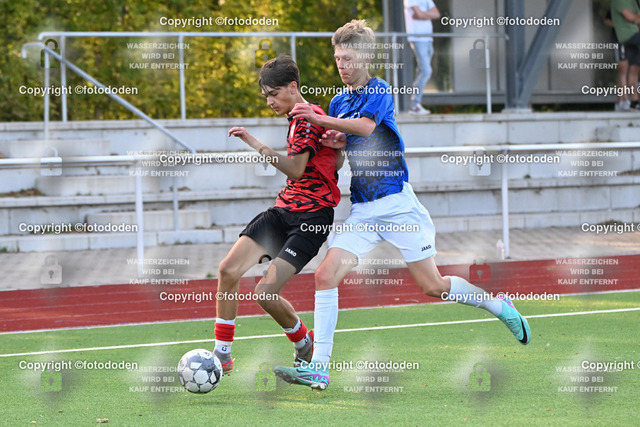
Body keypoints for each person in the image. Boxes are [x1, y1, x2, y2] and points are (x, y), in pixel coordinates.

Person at [274, 20, 530, 391]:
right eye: (338, 58)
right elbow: (347, 149)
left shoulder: (379, 89)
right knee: (325, 275)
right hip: (363, 209)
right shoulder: (338, 102)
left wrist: (318, 118)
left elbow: (365, 127)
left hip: (397, 206)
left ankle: (497, 306)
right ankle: (320, 368)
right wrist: (335, 143)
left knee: (433, 286)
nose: (341, 65)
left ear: (365, 58)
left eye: (348, 58)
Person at [214, 55, 341, 374]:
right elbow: (332, 161)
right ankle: (221, 355)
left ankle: (303, 343)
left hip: (311, 219)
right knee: (228, 270)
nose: (270, 101)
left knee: (265, 292)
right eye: (266, 96)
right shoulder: (302, 116)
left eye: (274, 93)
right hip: (284, 210)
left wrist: (254, 144)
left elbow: (296, 170)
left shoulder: (308, 118)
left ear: (293, 87)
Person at [404, 0, 440, 115]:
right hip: (417, 38)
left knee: (422, 71)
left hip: (428, 39)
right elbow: (419, 15)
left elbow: (437, 14)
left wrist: (423, 14)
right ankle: (414, 105)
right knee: (426, 71)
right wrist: (427, 15)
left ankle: (416, 104)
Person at [611, 0, 640, 110]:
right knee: (624, 70)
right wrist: (635, 18)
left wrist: (636, 18)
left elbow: (637, 17)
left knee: (634, 69)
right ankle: (623, 100)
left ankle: (635, 101)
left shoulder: (633, 2)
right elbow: (630, 17)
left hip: (634, 35)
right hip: (627, 36)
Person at [605, 10, 631, 111]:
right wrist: (618, 25)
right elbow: (607, 20)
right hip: (619, 41)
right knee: (623, 71)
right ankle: (625, 99)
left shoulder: (632, 7)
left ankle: (619, 101)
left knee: (624, 72)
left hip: (629, 40)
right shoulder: (615, 7)